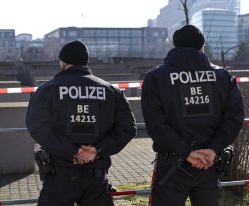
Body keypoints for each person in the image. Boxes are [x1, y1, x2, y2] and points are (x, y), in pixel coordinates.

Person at [141, 24, 244, 206]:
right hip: (209, 165)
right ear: (202, 47)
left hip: (172, 167)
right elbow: (234, 119)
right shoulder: (223, 76)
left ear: (175, 46)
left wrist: (186, 152)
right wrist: (213, 149)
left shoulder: (156, 77)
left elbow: (155, 125)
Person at [26, 40, 137, 206]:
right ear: (86, 62)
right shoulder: (111, 92)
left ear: (63, 62)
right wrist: (96, 151)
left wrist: (73, 151)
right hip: (96, 178)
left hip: (60, 177)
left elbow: (38, 128)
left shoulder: (47, 90)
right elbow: (128, 128)